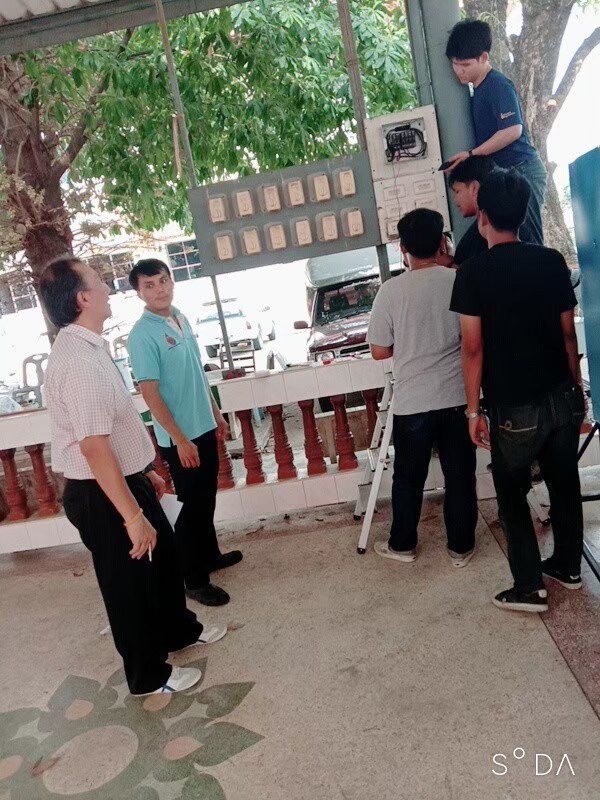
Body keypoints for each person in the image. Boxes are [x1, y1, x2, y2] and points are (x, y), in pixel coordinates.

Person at [40, 257, 227, 697]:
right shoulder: (78, 361)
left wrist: (143, 474)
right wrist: (131, 515)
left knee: (165, 561)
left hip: (125, 480)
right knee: (129, 586)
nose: (107, 288)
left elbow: (114, 428)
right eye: (98, 281)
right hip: (101, 492)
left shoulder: (91, 346)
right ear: (83, 298)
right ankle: (148, 676)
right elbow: (93, 447)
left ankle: (180, 631)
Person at [450, 170, 584, 613]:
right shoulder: (551, 261)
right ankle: (567, 566)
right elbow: (568, 334)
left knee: (510, 492)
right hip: (561, 396)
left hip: (514, 407)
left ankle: (529, 586)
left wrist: (473, 412)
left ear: (483, 217)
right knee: (564, 482)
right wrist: (575, 391)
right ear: (525, 214)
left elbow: (473, 348)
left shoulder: (472, 273)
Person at [127, 259, 242, 608]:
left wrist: (216, 414)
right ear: (138, 293)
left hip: (203, 425)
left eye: (163, 280)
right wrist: (179, 439)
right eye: (149, 285)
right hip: (180, 437)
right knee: (191, 507)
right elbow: (150, 394)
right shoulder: (142, 335)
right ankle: (194, 579)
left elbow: (198, 373)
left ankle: (209, 556)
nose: (159, 289)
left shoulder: (181, 318)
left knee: (207, 497)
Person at [367, 208, 478, 566]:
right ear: (442, 242)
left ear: (403, 248)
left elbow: (379, 351)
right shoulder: (457, 280)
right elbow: (474, 338)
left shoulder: (390, 291)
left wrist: (409, 342)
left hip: (413, 401)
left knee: (408, 478)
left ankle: (402, 546)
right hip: (457, 397)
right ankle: (460, 547)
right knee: (460, 476)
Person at [444, 19, 547, 245]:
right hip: (506, 175)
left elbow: (512, 130)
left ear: (484, 57)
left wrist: (472, 154)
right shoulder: (477, 90)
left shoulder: (497, 85)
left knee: (529, 239)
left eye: (465, 64)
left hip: (523, 169)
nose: (459, 70)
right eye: (454, 64)